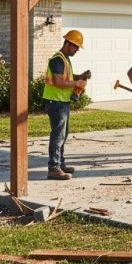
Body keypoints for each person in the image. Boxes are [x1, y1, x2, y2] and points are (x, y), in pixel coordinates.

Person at [42, 29, 90, 180]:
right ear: (68, 44)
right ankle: (53, 168)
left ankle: (60, 164)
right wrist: (77, 82)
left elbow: (66, 77)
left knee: (63, 134)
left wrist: (81, 76)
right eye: (75, 47)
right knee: (58, 134)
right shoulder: (57, 59)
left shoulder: (65, 59)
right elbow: (58, 81)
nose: (77, 50)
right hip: (55, 101)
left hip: (62, 101)